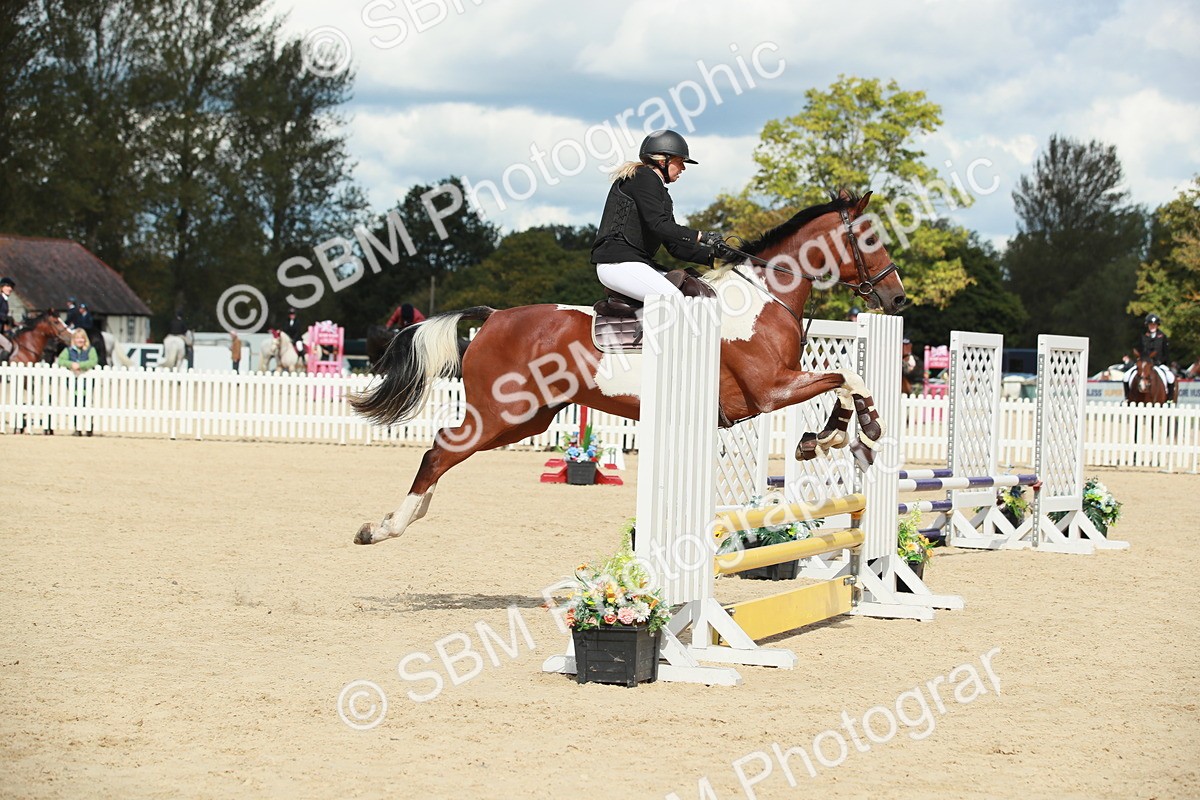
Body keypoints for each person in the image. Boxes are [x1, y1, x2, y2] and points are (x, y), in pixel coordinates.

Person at [591, 129, 730, 307]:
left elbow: (674, 246)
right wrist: (701, 236)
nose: (683, 168)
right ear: (663, 161)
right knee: (673, 299)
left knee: (694, 294)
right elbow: (657, 225)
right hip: (617, 263)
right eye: (680, 162)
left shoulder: (660, 192)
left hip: (635, 264)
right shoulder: (644, 177)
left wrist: (714, 255)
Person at [56, 327, 99, 435]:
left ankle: (89, 427)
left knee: (87, 404)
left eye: (82, 338)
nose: (80, 340)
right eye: (77, 338)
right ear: (74, 339)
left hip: (86, 383)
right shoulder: (68, 350)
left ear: (85, 339)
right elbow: (61, 360)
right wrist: (71, 364)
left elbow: (93, 361)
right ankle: (77, 428)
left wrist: (80, 365)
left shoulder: (90, 350)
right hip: (73, 383)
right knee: (75, 404)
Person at [1125, 313, 1175, 400]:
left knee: (1170, 377)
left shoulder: (1162, 336)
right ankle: (1127, 397)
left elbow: (1166, 352)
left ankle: (1169, 399)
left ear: (1157, 325)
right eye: (1150, 325)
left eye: (1154, 325)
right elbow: (1140, 350)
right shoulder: (1143, 336)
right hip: (1144, 363)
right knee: (1126, 376)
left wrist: (1165, 363)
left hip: (1158, 363)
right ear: (1147, 325)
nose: (1152, 326)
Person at [0, 276, 14, 362]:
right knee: (8, 345)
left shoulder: (5, 300)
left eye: (11, 287)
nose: (10, 289)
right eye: (8, 286)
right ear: (2, 287)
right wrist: (6, 317)